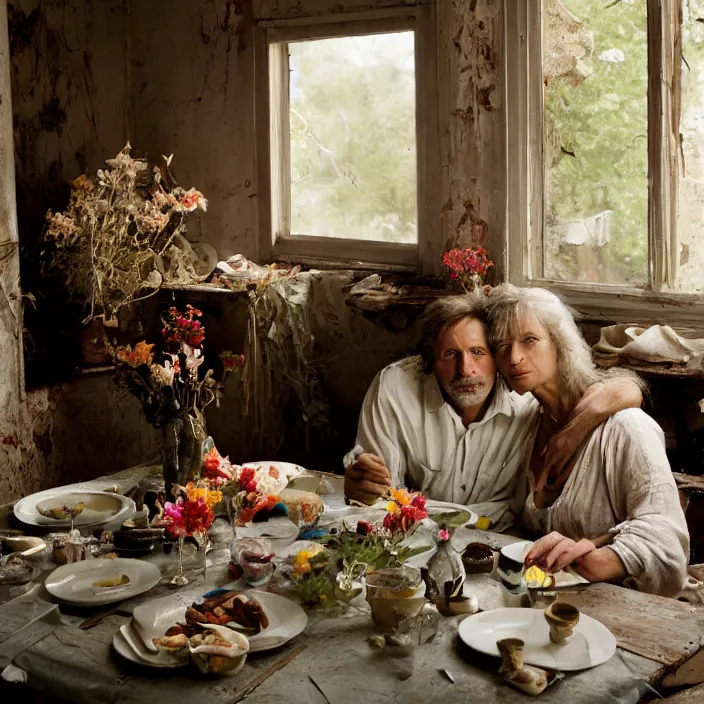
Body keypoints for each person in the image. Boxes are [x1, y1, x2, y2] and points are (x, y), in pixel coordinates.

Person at [343, 294, 643, 530]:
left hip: (494, 545)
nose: (466, 370)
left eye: (478, 352)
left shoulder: (526, 399)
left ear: (496, 359)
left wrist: (573, 433)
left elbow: (622, 389)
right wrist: (363, 487)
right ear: (431, 361)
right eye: (450, 355)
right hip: (413, 539)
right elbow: (375, 498)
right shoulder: (395, 388)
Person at [485, 284, 689, 597]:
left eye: (529, 340)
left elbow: (668, 548)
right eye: (501, 346)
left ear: (559, 343)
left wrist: (605, 558)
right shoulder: (527, 423)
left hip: (625, 611)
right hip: (547, 605)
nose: (514, 357)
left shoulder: (626, 428)